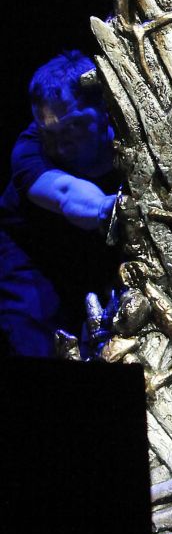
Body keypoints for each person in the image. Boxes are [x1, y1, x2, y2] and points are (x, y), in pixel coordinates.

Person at [0, 50, 120, 357]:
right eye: (49, 133)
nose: (61, 144)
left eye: (73, 126)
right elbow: (67, 193)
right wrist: (111, 207)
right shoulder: (27, 153)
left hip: (91, 253)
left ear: (104, 107)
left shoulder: (128, 133)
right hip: (30, 260)